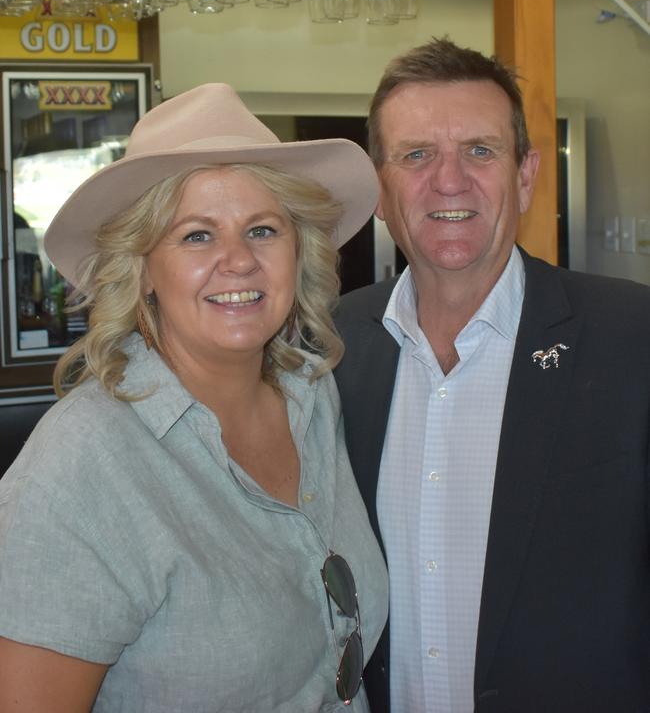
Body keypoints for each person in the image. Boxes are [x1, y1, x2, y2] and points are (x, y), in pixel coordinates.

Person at [0, 83, 388, 712]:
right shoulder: (79, 468)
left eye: (262, 229)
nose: (237, 261)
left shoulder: (315, 402)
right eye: (197, 236)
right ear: (143, 269)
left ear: (299, 254)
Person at [334, 37, 650, 713]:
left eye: (480, 151)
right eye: (417, 155)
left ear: (526, 175)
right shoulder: (328, 349)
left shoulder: (634, 336)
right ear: (380, 189)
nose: (450, 181)